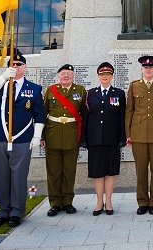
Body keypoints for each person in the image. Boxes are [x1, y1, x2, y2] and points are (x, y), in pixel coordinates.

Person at [0, 52, 45, 228]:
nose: (16, 67)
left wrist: (37, 136)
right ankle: (3, 211)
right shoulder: (1, 84)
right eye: (13, 64)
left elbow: (39, 114)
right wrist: (3, 77)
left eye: (19, 64)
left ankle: (16, 211)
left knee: (19, 176)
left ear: (25, 67)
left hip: (22, 138)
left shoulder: (34, 88)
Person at [80, 62, 126, 216]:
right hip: (95, 140)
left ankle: (109, 202)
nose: (105, 77)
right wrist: (84, 138)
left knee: (110, 172)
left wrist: (122, 138)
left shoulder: (118, 93)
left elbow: (122, 118)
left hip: (112, 139)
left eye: (108, 74)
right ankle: (99, 202)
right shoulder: (89, 94)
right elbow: (86, 118)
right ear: (98, 76)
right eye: (102, 74)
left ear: (112, 76)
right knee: (98, 172)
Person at [41, 63, 86, 216]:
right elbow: (42, 114)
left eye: (69, 74)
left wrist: (83, 136)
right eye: (63, 74)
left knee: (69, 171)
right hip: (52, 135)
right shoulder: (50, 90)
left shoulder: (80, 91)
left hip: (71, 136)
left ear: (73, 76)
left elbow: (84, 116)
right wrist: (41, 136)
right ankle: (54, 203)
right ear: (58, 76)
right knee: (53, 172)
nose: (66, 76)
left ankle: (68, 202)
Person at [125, 55, 153, 215]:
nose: (148, 70)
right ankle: (142, 202)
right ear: (142, 69)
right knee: (141, 170)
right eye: (145, 67)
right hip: (138, 133)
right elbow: (129, 111)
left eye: (151, 67)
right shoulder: (134, 86)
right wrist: (128, 133)